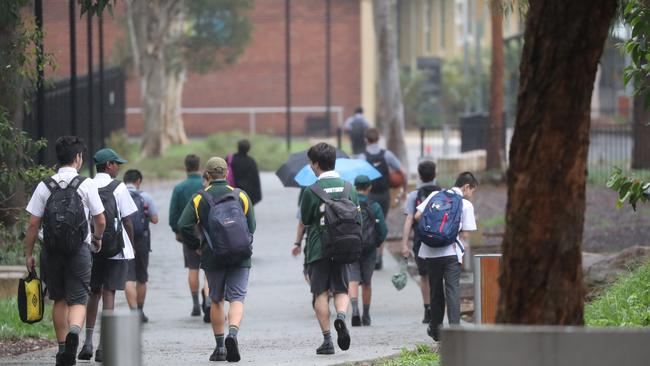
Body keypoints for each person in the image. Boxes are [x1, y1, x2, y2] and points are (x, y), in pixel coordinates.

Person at [24, 136, 106, 366]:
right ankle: (74, 333)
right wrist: (97, 239)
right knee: (79, 298)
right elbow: (100, 219)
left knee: (58, 297)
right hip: (79, 249)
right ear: (78, 158)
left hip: (51, 250)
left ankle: (62, 350)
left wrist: (28, 254)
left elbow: (32, 224)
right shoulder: (86, 184)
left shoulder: (45, 185)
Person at [177, 157, 256, 362]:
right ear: (226, 174)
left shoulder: (199, 198)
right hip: (240, 254)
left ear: (208, 175)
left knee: (216, 299)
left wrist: (197, 245)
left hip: (213, 255)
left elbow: (183, 225)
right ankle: (233, 334)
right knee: (237, 298)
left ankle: (220, 347)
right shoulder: (241, 195)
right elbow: (252, 226)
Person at [79, 148, 138, 362]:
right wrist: (131, 245)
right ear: (109, 165)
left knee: (93, 293)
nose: (118, 167)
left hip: (91, 247)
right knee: (109, 293)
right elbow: (128, 220)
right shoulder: (118, 187)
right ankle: (103, 346)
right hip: (114, 247)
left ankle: (87, 342)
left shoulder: (86, 185)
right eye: (116, 163)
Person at [299, 142, 357, 355]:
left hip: (318, 248)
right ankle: (341, 317)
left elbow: (305, 219)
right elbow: (357, 217)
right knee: (341, 288)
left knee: (320, 293)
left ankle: (327, 341)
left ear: (316, 164)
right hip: (344, 246)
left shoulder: (311, 191)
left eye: (311, 163)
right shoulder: (349, 188)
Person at [414, 171, 478, 341]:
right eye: (472, 191)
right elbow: (465, 234)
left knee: (435, 291)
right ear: (466, 187)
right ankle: (455, 331)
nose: (472, 195)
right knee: (452, 290)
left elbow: (418, 215)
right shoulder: (465, 205)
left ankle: (436, 330)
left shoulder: (436, 195)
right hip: (450, 253)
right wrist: (462, 253)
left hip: (430, 252)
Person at [357, 128, 407, 270]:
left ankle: (368, 255)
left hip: (369, 195)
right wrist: (403, 191)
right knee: (381, 223)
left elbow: (358, 177)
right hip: (384, 194)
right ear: (378, 139)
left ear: (366, 139)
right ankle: (379, 257)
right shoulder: (387, 155)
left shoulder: (362, 157)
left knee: (367, 223)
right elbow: (402, 172)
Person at [400, 160, 441, 324]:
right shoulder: (442, 193)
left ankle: (427, 310)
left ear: (419, 176)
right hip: (440, 239)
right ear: (435, 174)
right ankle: (438, 307)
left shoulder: (413, 195)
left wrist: (404, 243)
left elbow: (409, 219)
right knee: (438, 276)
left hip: (421, 240)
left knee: (424, 276)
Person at [169, 154, 210, 318]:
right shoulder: (206, 185)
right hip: (207, 232)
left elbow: (173, 215)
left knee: (193, 268)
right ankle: (207, 299)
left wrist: (177, 231)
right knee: (208, 269)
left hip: (188, 231)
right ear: (200, 167)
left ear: (185, 168)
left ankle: (195, 306)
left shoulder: (179, 188)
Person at [349, 175, 387, 327]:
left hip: (351, 248)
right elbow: (383, 230)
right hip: (369, 249)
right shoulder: (375, 206)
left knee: (352, 279)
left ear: (354, 187)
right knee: (367, 282)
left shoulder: (349, 203)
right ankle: (366, 314)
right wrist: (376, 243)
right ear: (369, 187)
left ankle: (354, 311)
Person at [123, 169, 159, 323]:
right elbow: (155, 219)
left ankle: (133, 312)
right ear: (138, 181)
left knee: (128, 277)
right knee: (142, 277)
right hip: (142, 240)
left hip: (124, 240)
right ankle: (141, 310)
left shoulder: (119, 195)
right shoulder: (146, 197)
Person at [227, 139, 262, 205]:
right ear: (248, 149)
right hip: (247, 196)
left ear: (238, 147)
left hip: (232, 194)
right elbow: (256, 180)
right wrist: (257, 197)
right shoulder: (251, 162)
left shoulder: (230, 159)